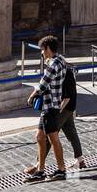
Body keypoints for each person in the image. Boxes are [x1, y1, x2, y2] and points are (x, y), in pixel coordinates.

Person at [24, 35, 81, 182]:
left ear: (48, 49)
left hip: (50, 106)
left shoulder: (53, 65)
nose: (42, 53)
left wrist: (31, 96)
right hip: (51, 106)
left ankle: (60, 170)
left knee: (54, 139)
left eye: (43, 50)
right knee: (40, 137)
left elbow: (42, 86)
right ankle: (40, 169)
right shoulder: (61, 60)